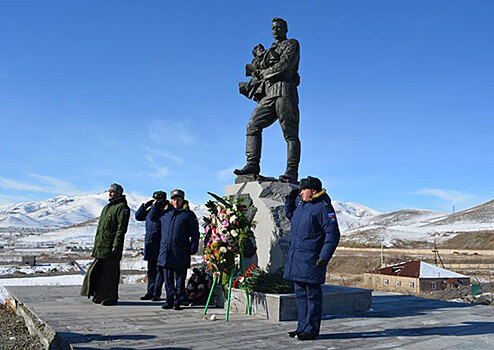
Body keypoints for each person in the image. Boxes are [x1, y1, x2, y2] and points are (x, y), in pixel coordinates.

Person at [234, 17, 301, 183]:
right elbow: (257, 70)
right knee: (253, 125)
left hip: (285, 90)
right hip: (269, 94)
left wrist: (266, 72)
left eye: (279, 27)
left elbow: (285, 65)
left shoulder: (292, 44)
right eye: (273, 28)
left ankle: (291, 171)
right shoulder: (270, 49)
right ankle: (252, 164)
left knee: (290, 133)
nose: (275, 30)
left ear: (285, 29)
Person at [283, 176, 340, 340]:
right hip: (298, 260)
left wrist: (324, 257)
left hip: (312, 260)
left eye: (303, 190)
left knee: (312, 297)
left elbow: (333, 235)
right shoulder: (303, 206)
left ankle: (311, 330)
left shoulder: (323, 208)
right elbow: (292, 217)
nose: (300, 192)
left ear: (313, 191)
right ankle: (302, 327)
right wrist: (290, 199)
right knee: (300, 296)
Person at [81, 183, 130, 306]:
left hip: (112, 246)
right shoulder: (107, 208)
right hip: (101, 245)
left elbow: (121, 229)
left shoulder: (122, 207)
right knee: (98, 271)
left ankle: (111, 297)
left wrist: (116, 245)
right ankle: (100, 294)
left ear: (118, 193)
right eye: (109, 191)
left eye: (113, 192)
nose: (110, 193)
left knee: (111, 273)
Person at [158, 189, 200, 310]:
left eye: (178, 199)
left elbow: (195, 233)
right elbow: (148, 218)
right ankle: (169, 300)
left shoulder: (188, 214)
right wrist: (156, 204)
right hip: (166, 250)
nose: (176, 202)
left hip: (181, 250)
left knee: (180, 278)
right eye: (174, 199)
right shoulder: (165, 213)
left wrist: (193, 246)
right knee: (168, 278)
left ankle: (179, 300)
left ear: (183, 200)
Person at [135, 190, 168, 301]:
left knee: (159, 270)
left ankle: (156, 293)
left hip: (160, 243)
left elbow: (154, 216)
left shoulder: (164, 210)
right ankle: (150, 291)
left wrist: (155, 206)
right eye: (154, 199)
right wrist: (144, 206)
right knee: (151, 270)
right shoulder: (151, 209)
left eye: (157, 200)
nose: (155, 201)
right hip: (150, 243)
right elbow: (138, 216)